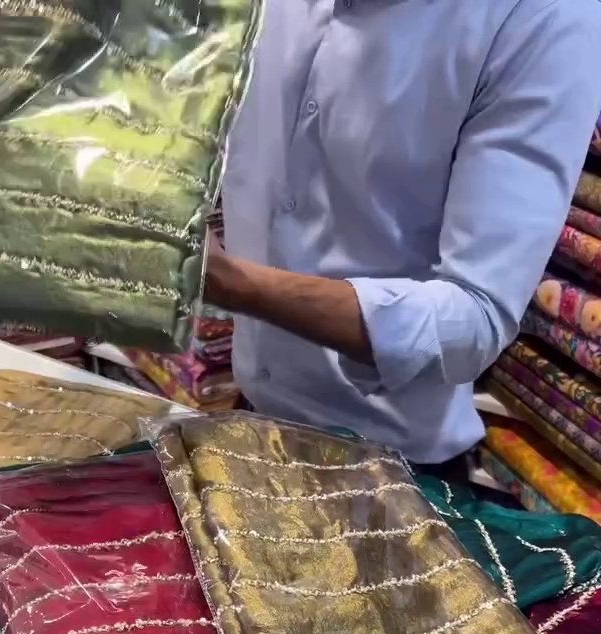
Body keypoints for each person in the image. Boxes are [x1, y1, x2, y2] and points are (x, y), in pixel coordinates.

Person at [205, 0, 601, 468]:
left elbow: (474, 317)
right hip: (248, 416)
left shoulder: (542, 15)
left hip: (387, 468)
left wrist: (234, 284)